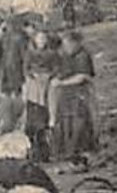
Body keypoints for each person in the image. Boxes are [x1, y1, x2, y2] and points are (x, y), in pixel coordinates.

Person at [49, 30, 96, 162]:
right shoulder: (65, 55)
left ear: (75, 43)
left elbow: (83, 76)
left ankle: (81, 151)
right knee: (65, 121)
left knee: (79, 122)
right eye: (64, 44)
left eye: (68, 44)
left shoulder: (83, 56)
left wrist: (61, 83)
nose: (66, 47)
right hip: (66, 94)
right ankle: (68, 152)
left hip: (80, 93)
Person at [21, 28, 60, 161]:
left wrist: (48, 76)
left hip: (46, 81)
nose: (41, 41)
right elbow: (26, 69)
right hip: (33, 83)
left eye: (44, 39)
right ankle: (34, 146)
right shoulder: (29, 53)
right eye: (39, 39)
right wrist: (32, 76)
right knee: (33, 109)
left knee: (46, 109)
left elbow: (56, 68)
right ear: (35, 40)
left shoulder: (52, 54)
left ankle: (46, 147)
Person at [0, 17, 28, 96]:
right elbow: (24, 54)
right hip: (16, 64)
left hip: (5, 64)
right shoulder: (21, 37)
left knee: (7, 89)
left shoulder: (3, 36)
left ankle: (8, 101)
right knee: (16, 88)